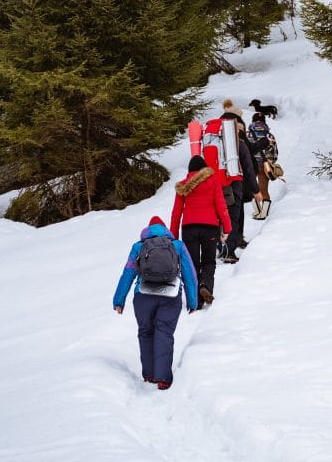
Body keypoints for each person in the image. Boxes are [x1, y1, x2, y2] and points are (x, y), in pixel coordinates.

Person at [111, 216, 198, 390]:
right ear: (166, 230)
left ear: (147, 230)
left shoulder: (138, 246)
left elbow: (128, 273)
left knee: (146, 332)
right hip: (171, 295)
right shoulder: (177, 245)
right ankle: (163, 378)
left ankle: (149, 374)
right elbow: (189, 272)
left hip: (143, 296)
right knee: (164, 332)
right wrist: (192, 300)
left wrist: (119, 300)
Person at [171, 155, 231, 306]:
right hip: (210, 227)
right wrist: (227, 228)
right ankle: (205, 285)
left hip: (189, 228)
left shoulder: (183, 186)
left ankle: (196, 301)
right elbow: (221, 205)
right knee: (209, 261)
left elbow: (176, 212)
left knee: (192, 264)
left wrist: (173, 237)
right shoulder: (213, 181)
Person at [217, 99, 260, 263]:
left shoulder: (215, 140)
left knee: (220, 216)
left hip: (215, 184)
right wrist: (256, 190)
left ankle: (221, 247)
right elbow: (248, 166)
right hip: (234, 184)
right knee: (233, 217)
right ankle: (228, 251)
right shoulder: (238, 142)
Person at [247, 112, 279, 220]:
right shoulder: (270, 136)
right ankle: (264, 213)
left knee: (252, 188)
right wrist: (270, 161)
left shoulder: (248, 134)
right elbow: (274, 154)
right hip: (264, 166)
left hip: (250, 165)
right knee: (264, 189)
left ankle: (257, 212)